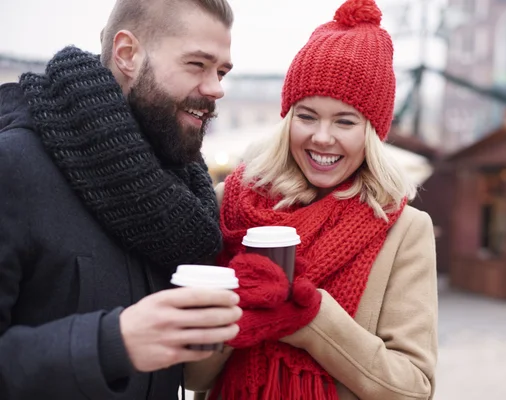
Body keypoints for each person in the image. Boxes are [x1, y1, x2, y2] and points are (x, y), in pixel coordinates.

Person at [184, 0, 439, 399]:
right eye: (307, 116)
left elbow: (412, 389)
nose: (322, 137)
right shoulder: (228, 205)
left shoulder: (404, 231)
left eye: (345, 121)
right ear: (287, 119)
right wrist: (244, 309)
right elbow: (191, 378)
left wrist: (313, 320)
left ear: (371, 132)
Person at [0, 0, 242, 399]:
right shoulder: (14, 166)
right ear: (127, 54)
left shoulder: (182, 190)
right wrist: (111, 343)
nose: (216, 87)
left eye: (221, 71)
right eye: (197, 65)